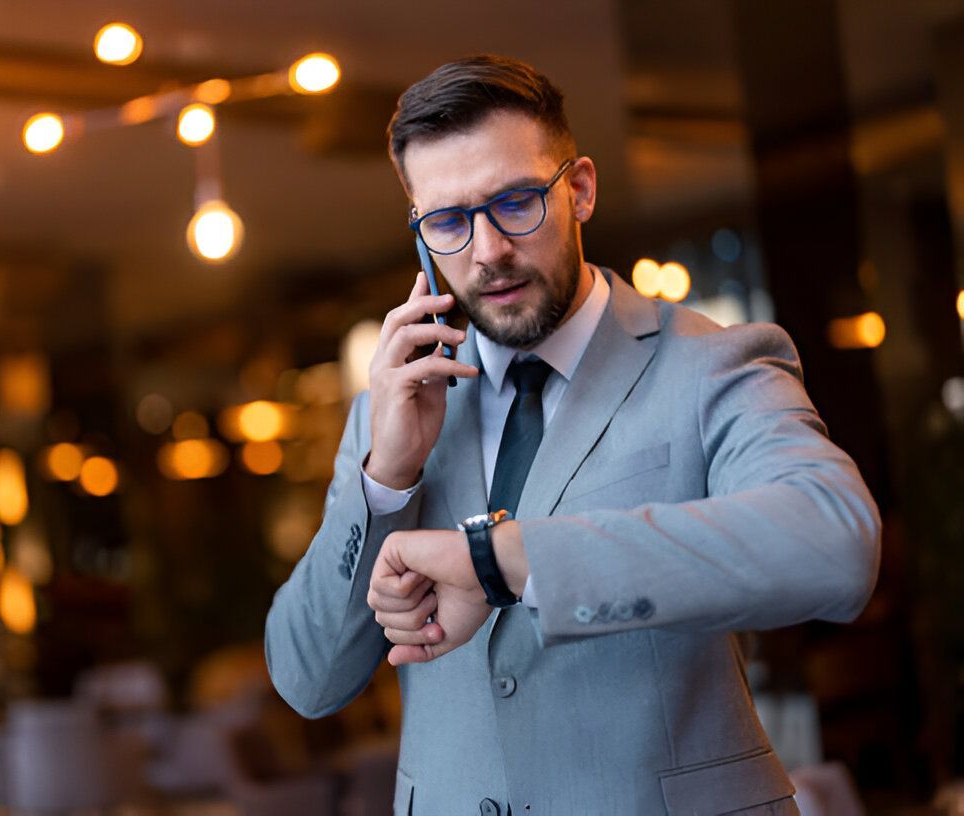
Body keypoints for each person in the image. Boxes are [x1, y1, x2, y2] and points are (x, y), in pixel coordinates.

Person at [265, 54, 880, 815]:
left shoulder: (711, 363)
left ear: (579, 189)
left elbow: (834, 542)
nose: (487, 249)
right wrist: (385, 476)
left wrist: (502, 561)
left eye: (516, 202)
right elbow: (306, 677)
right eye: (449, 222)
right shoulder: (389, 408)